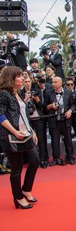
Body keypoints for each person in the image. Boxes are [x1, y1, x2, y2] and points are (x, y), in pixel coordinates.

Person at [0, 66, 40, 209]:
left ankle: (26, 189)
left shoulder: (18, 93)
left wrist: (31, 131)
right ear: (11, 78)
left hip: (25, 134)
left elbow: (24, 116)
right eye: (19, 76)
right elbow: (1, 115)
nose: (22, 78)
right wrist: (14, 131)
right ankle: (18, 198)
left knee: (35, 161)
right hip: (10, 136)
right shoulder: (4, 94)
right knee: (16, 168)